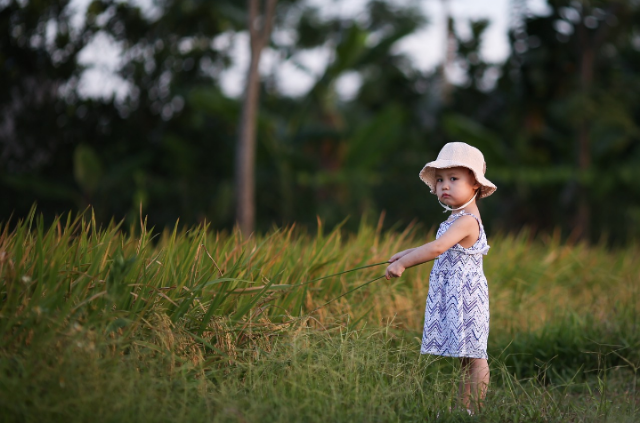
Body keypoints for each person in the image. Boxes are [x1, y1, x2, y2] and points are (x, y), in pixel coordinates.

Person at [385, 142, 497, 415]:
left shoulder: (467, 220)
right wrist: (406, 253)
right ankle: (463, 408)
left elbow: (436, 249)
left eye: (454, 179)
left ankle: (476, 411)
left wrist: (404, 264)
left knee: (475, 356)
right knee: (465, 356)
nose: (444, 185)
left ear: (475, 185)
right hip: (456, 295)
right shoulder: (456, 219)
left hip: (467, 298)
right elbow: (441, 247)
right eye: (440, 180)